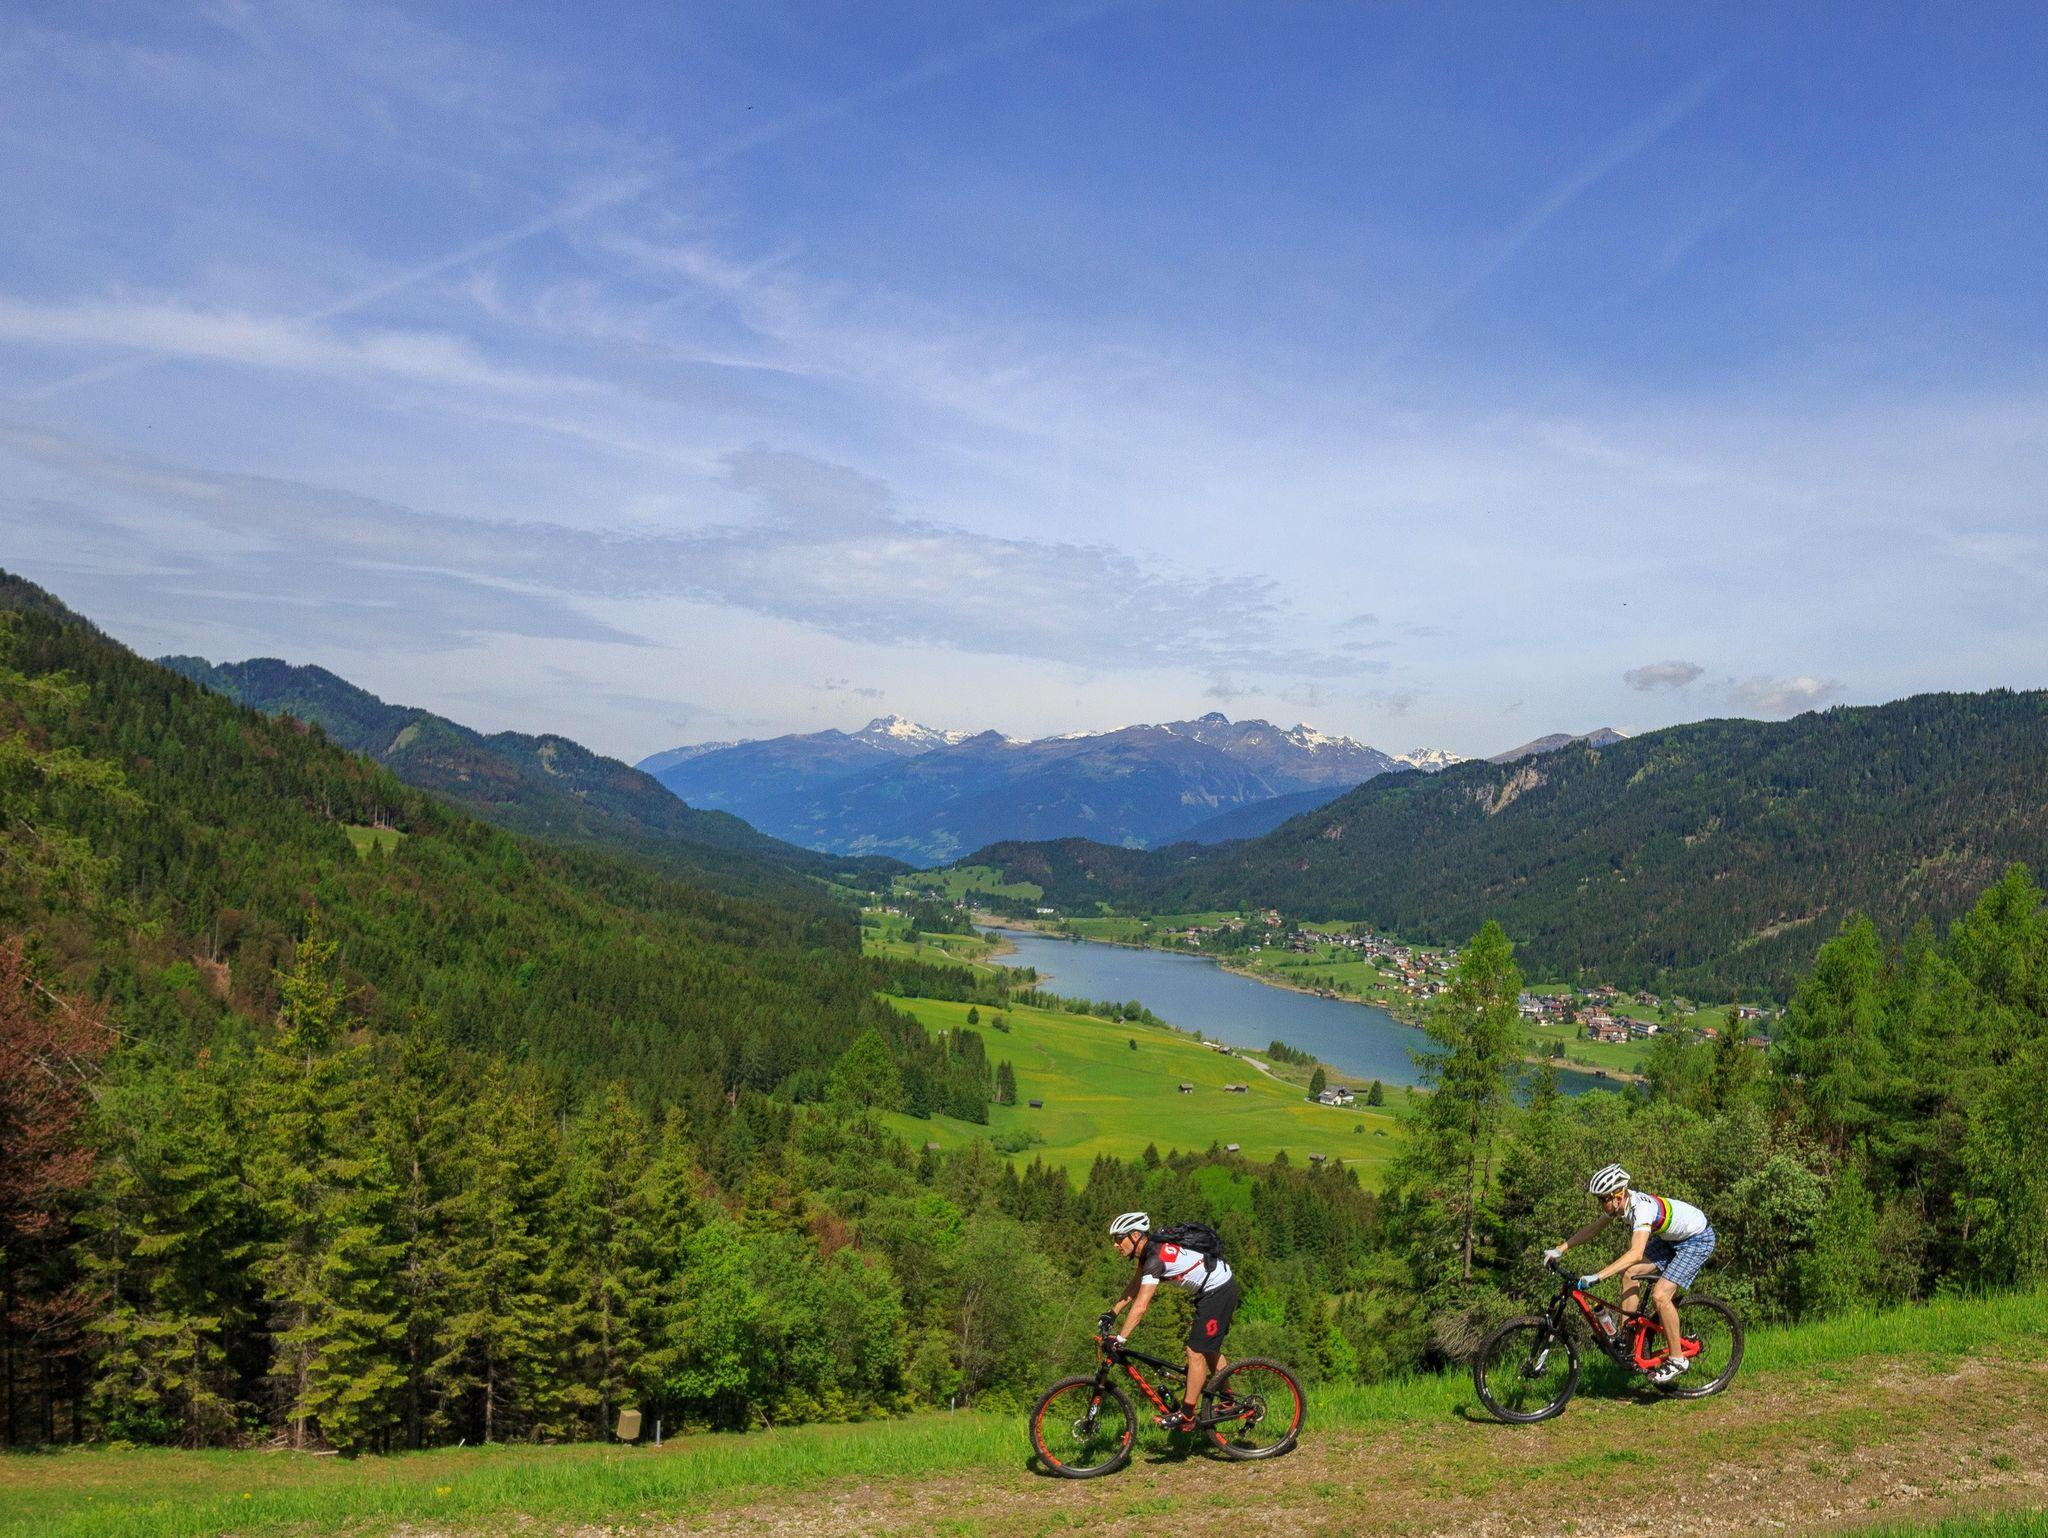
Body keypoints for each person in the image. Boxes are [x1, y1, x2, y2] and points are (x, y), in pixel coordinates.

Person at [1544, 1163, 1716, 1385]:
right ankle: (1627, 1340)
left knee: (1660, 1296)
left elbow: (1636, 1253)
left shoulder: (1641, 1210)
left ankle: (1677, 1359)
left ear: (1618, 1196)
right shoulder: (1620, 1205)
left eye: (1603, 1199)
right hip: (1671, 1239)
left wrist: (1598, 1276)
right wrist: (1560, 1249)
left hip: (1696, 1240)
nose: (1601, 1204)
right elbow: (1593, 1228)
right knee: (1630, 1274)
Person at [1106, 1211, 1239, 1430]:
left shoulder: (1154, 1259)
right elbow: (1134, 1285)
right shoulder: (1148, 1252)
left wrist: (1120, 1339)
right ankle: (1228, 1401)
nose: (1116, 1245)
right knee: (1208, 1348)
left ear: (1135, 1236)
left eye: (1119, 1239)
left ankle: (1187, 1414)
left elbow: (1141, 1306)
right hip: (1208, 1291)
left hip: (1219, 1290)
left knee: (1195, 1351)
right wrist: (1111, 1313)